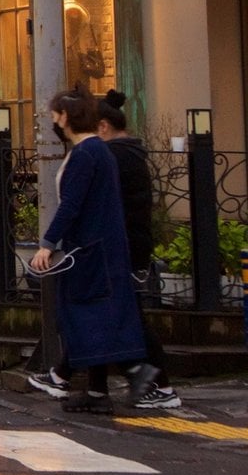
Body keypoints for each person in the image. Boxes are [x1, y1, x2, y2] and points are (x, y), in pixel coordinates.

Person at [33, 91, 153, 413]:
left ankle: (70, 377)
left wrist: (47, 244)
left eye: (56, 114)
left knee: (82, 315)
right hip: (101, 247)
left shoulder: (86, 154)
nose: (52, 120)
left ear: (67, 117)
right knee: (98, 316)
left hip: (88, 249)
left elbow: (71, 204)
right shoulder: (98, 151)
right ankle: (95, 390)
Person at [73, 93, 180, 409]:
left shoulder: (115, 156)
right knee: (108, 311)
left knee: (123, 314)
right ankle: (96, 387)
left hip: (120, 247)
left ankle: (158, 384)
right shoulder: (124, 153)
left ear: (103, 127)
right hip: (119, 245)